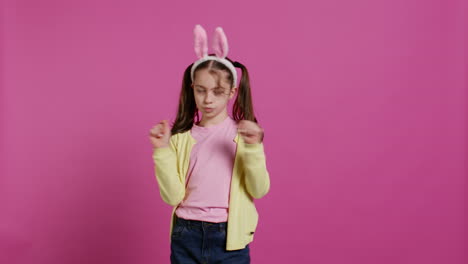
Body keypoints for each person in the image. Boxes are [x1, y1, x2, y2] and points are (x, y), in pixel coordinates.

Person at [149, 24, 270, 264]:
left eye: (217, 91)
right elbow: (173, 196)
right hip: (186, 235)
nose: (208, 99)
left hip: (230, 237)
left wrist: (254, 148)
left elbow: (259, 189)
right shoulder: (179, 138)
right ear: (192, 88)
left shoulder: (244, 135)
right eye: (201, 90)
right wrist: (161, 151)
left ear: (232, 91)